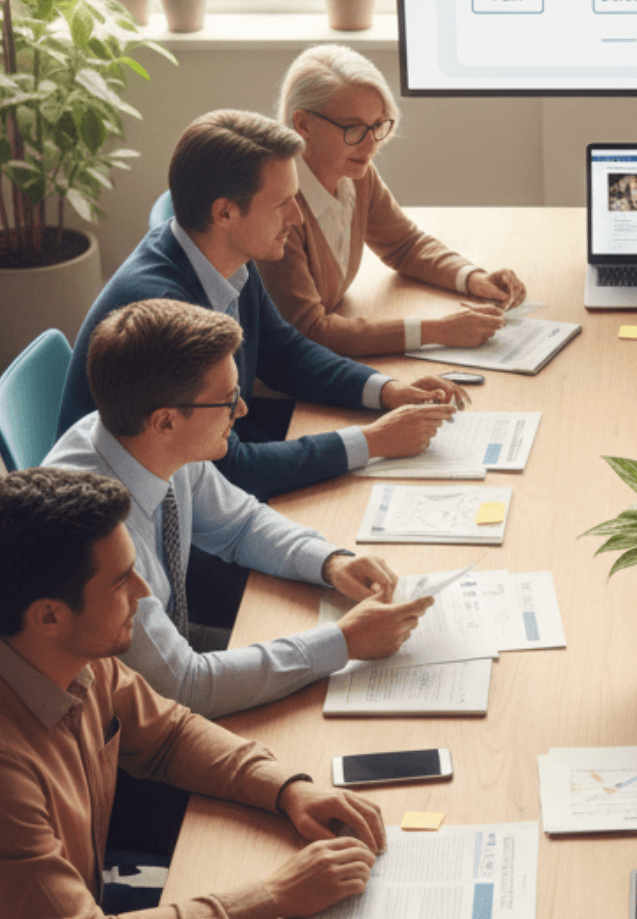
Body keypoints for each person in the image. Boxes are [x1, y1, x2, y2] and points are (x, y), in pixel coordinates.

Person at [0, 468, 389, 919]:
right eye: (122, 580)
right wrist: (272, 896)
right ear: (50, 615)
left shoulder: (51, 647)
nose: (145, 592)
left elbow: (168, 734)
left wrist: (288, 789)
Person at [46, 298, 433, 717]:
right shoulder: (98, 534)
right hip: (113, 729)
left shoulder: (147, 442)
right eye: (228, 400)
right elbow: (184, 687)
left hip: (172, 661)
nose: (243, 410)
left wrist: (329, 562)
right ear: (166, 421)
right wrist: (343, 643)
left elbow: (240, 524)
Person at [59, 109, 469, 502]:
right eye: (282, 204)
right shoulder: (162, 312)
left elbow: (284, 353)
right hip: (141, 523)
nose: (297, 217)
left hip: (222, 449)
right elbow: (229, 469)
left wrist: (387, 391)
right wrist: (372, 441)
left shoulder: (226, 255)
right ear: (225, 212)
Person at [256, 44, 527, 358]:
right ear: (302, 124)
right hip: (279, 382)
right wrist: (438, 331)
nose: (371, 144)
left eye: (378, 126)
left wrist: (474, 279)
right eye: (354, 128)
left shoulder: (357, 175)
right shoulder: (278, 208)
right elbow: (310, 330)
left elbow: (405, 245)